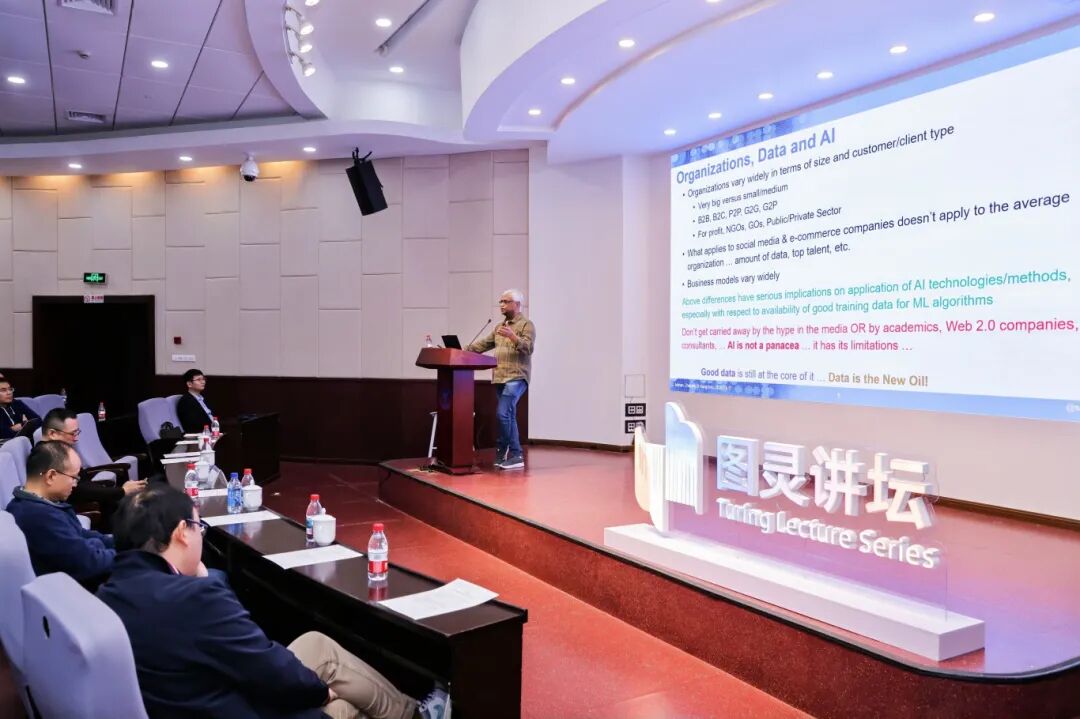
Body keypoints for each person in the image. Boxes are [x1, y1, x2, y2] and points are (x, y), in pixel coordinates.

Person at [97, 484, 451, 719]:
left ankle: (412, 713)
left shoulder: (109, 593)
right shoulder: (195, 598)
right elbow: (265, 668)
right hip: (233, 707)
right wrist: (321, 695)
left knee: (317, 645)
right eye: (198, 527)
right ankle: (414, 716)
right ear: (181, 534)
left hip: (198, 699)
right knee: (348, 705)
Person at [5, 440, 116, 588]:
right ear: (51, 476)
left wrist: (121, 542)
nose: (75, 484)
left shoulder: (35, 504)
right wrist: (132, 554)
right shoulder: (38, 517)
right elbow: (87, 562)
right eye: (74, 478)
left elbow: (81, 535)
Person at [40, 408, 146, 529]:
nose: (76, 439)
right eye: (72, 434)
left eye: (77, 433)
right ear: (52, 434)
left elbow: (83, 482)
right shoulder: (46, 457)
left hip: (90, 502)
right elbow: (76, 490)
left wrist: (119, 490)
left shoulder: (59, 452)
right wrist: (121, 491)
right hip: (73, 514)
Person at [466, 289, 536, 470]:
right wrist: (459, 350)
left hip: (517, 376)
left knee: (502, 414)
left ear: (517, 304)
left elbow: (528, 348)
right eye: (501, 302)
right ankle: (505, 452)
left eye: (506, 301)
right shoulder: (499, 327)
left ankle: (516, 453)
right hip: (499, 377)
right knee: (508, 415)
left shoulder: (526, 325)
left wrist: (513, 336)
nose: (502, 305)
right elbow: (482, 345)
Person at [177, 368, 215, 433]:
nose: (203, 382)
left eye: (203, 379)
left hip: (213, 432)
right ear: (189, 384)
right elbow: (193, 425)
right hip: (201, 435)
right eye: (199, 379)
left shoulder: (202, 399)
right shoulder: (186, 401)